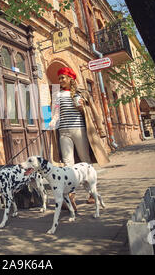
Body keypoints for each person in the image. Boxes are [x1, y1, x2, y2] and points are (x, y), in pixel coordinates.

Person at [49, 67, 110, 207]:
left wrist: (83, 107)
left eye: (62, 77)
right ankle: (70, 196)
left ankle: (91, 193)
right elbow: (55, 113)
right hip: (63, 132)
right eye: (59, 78)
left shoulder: (81, 93)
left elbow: (92, 111)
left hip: (80, 130)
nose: (60, 80)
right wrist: (52, 121)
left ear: (70, 78)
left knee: (85, 161)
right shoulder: (56, 95)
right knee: (67, 164)